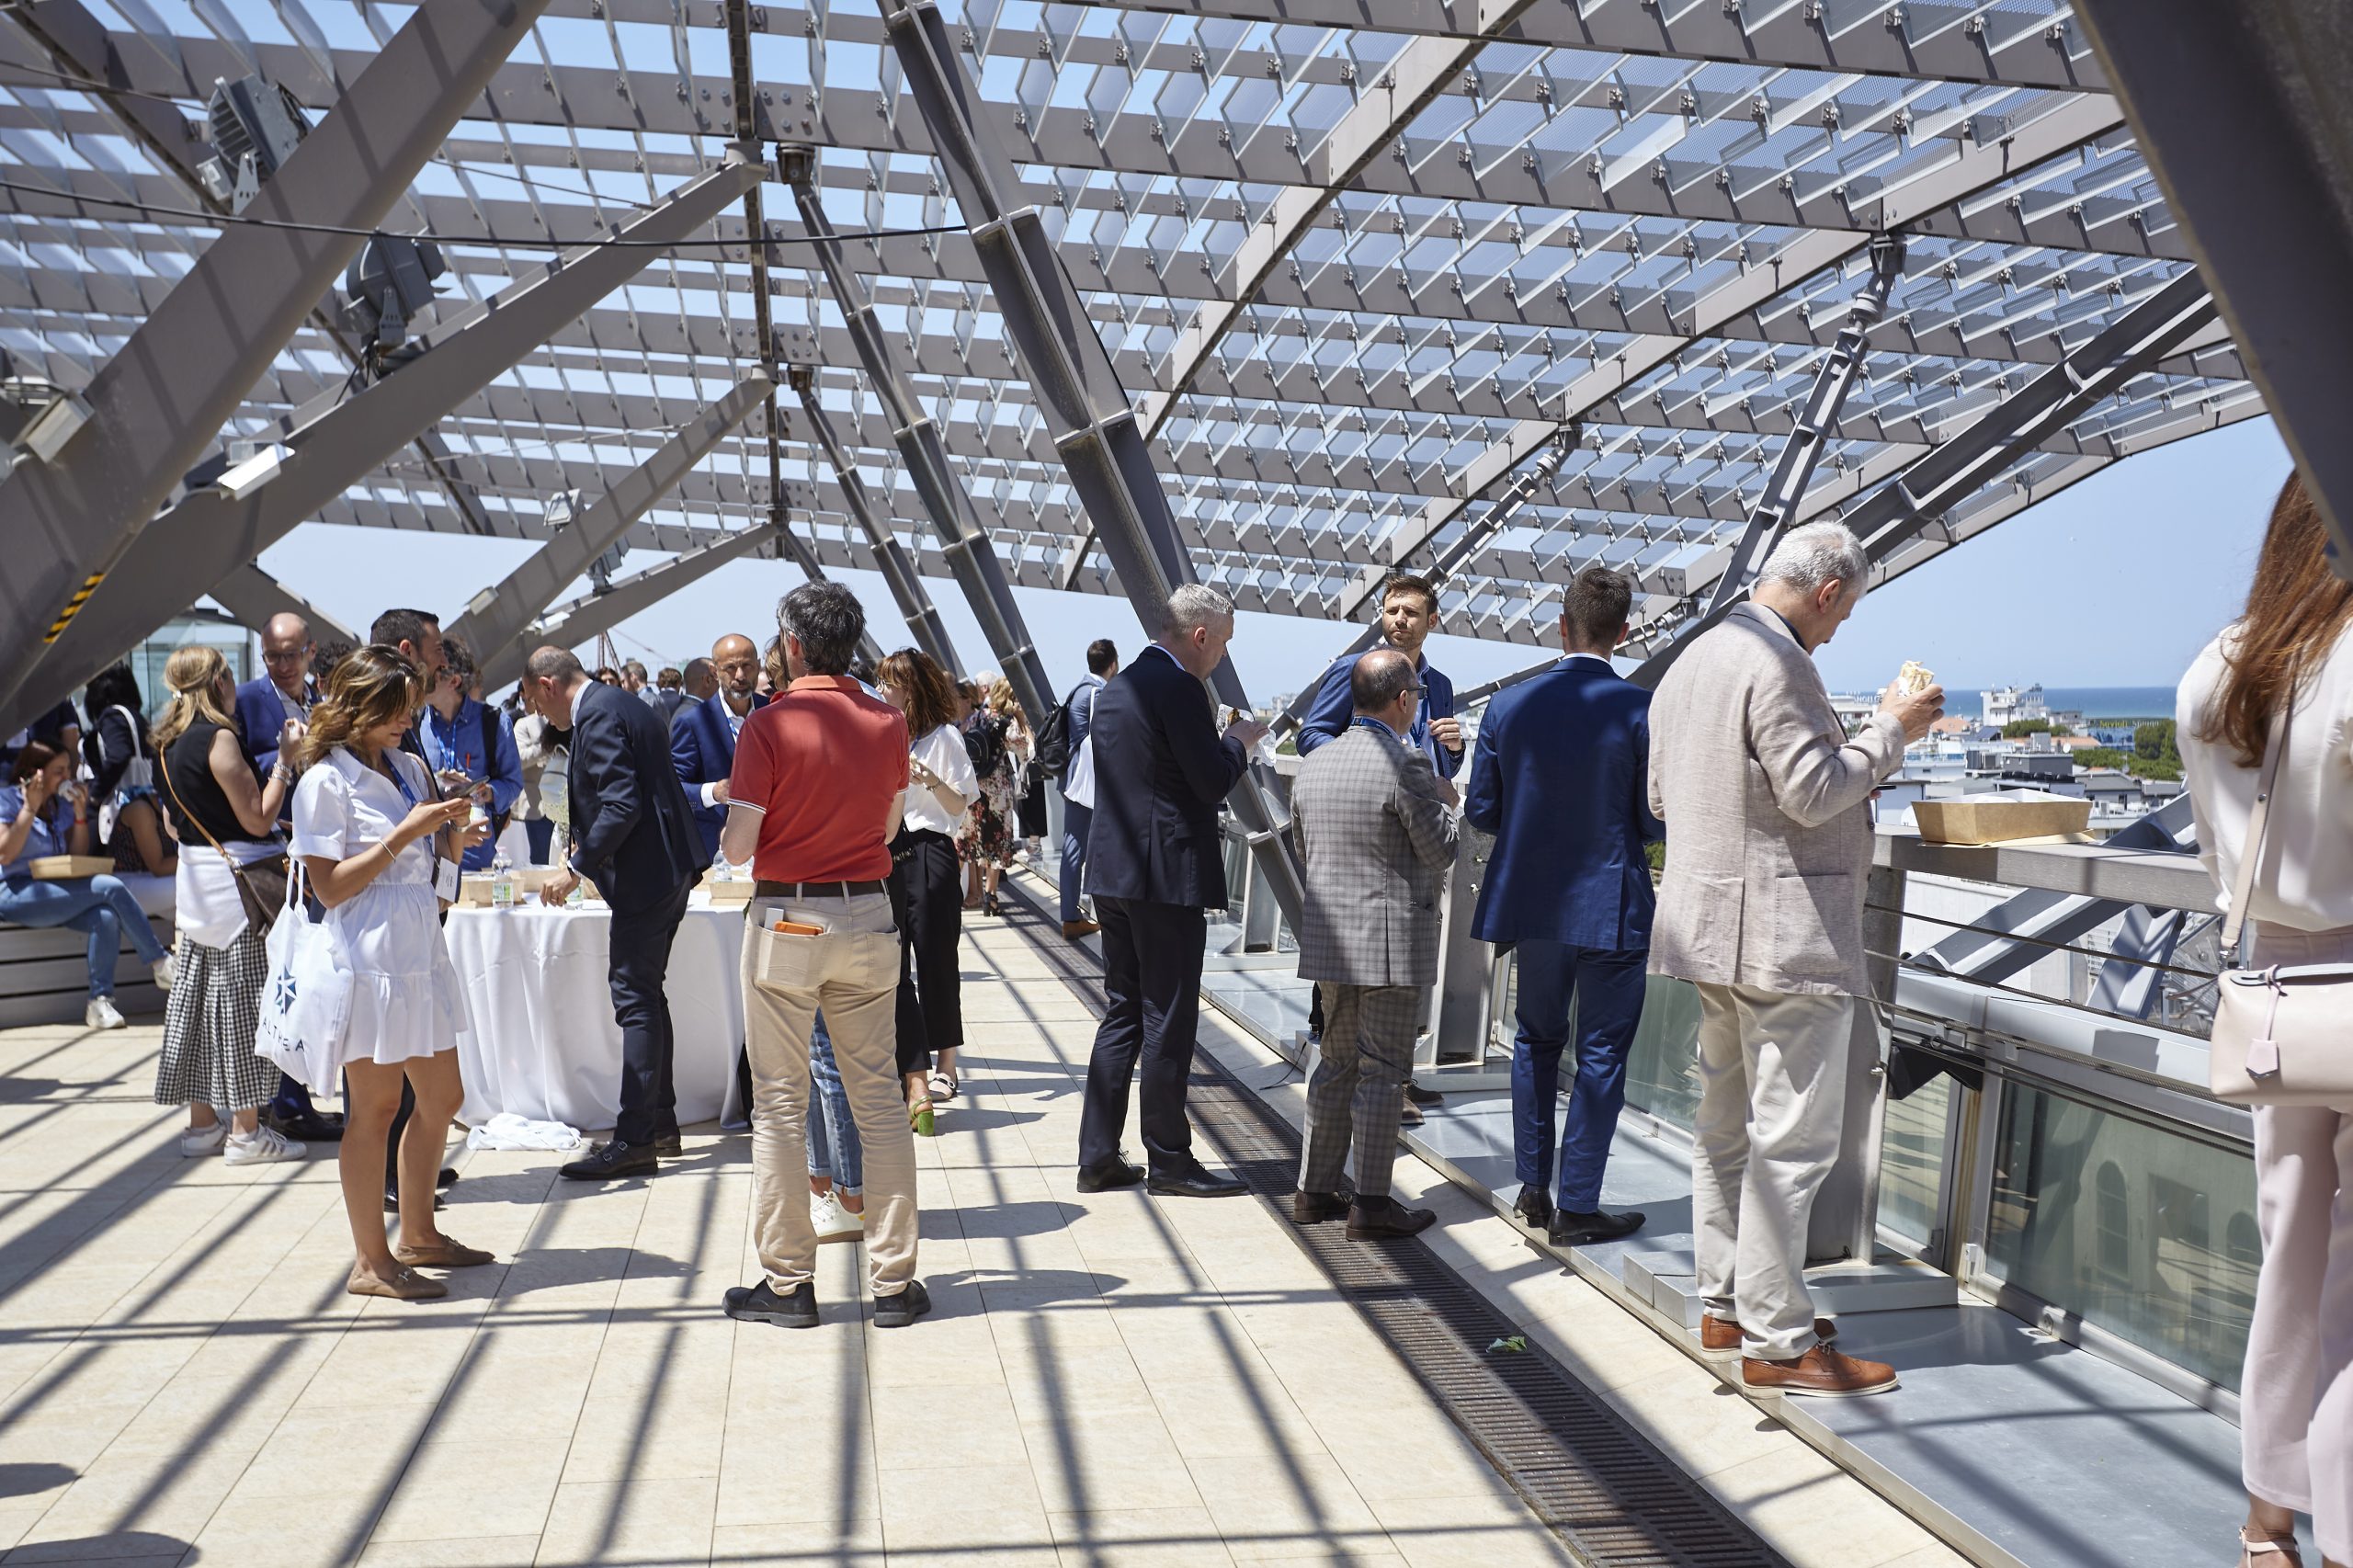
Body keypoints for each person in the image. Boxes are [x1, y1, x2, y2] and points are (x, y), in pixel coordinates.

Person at [1648, 520, 1941, 1398]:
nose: (1839, 627)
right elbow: (1813, 792)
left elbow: (1665, 793)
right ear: (1824, 593)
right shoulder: (1780, 664)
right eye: (1843, 612)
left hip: (1707, 927)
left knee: (1726, 1126)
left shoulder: (1695, 657)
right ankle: (1778, 1341)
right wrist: (1888, 731)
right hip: (1783, 939)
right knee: (1792, 1142)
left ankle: (1726, 1302)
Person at [2176, 474, 2353, 1568]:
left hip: (2278, 993)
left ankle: (2266, 1516)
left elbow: (2214, 855)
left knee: (2290, 1258)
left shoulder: (2223, 661)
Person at [718, 581, 928, 1330]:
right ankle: (895, 1284)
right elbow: (892, 822)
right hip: (869, 912)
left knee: (780, 1103)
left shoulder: (770, 725)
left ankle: (788, 1285)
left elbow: (740, 846)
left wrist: (731, 822)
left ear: (793, 644)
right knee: (877, 1101)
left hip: (788, 918)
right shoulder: (887, 720)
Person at [1465, 567, 1663, 1246]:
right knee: (1601, 1051)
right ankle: (1579, 1204)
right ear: (1624, 632)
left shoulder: (1508, 706)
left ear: (1562, 626)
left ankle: (1532, 1187)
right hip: (1612, 901)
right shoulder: (1641, 708)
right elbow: (1652, 820)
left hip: (1535, 902)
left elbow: (1483, 810)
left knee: (1535, 1040)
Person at [290, 646, 492, 1300]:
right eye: (397, 709)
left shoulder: (408, 765)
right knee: (374, 1109)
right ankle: (371, 1263)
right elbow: (327, 889)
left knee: (443, 1098)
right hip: (366, 960)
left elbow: (433, 859)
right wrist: (406, 834)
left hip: (418, 951)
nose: (410, 718)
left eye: (411, 706)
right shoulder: (325, 781)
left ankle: (420, 1233)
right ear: (359, 708)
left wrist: (452, 828)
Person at [1076, 584, 1266, 1198]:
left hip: (1115, 872)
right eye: (1225, 646)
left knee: (1123, 1012)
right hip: (1166, 879)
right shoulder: (1180, 688)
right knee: (1168, 1018)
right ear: (1201, 636)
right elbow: (1210, 781)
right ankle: (1170, 1160)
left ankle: (1098, 1155)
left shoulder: (1117, 689)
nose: (1223, 660)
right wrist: (1237, 744)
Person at [1289, 649, 1459, 1239]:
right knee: (1384, 1074)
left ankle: (1314, 1191)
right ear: (1404, 701)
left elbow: (1305, 851)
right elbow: (1440, 851)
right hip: (1390, 945)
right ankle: (1371, 1203)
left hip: (1331, 941)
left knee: (1334, 1063)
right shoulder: (1407, 764)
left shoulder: (1314, 762)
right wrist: (1450, 812)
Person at [521, 647, 704, 1180]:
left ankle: (634, 1138)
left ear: (548, 685)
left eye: (537, 702)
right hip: (666, 870)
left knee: (635, 1000)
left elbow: (621, 803)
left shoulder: (598, 713)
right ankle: (660, 1123)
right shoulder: (620, 703)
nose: (541, 716)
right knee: (647, 994)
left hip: (647, 877)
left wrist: (575, 866)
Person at [151, 645, 303, 1165]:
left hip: (193, 886)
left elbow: (174, 825)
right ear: (217, 683)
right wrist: (284, 761)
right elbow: (258, 819)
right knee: (242, 1007)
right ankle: (246, 1132)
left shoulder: (165, 743)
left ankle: (201, 1127)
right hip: (238, 893)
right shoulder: (219, 738)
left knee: (194, 1004)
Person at [0, 742, 174, 1029]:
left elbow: (76, 857)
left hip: (52, 889)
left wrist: (80, 815)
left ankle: (99, 1002)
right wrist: (29, 808)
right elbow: (6, 853)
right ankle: (160, 961)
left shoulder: (58, 806)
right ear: (35, 773)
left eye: (68, 769)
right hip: (13, 891)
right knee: (111, 886)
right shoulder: (8, 799)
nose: (67, 777)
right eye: (59, 771)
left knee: (103, 918)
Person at [876, 648, 978, 1131]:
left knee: (938, 958)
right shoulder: (879, 733)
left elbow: (960, 806)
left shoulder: (946, 739)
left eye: (890, 683)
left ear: (911, 688)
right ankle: (907, 1065)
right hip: (888, 851)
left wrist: (930, 779)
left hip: (932, 849)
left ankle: (947, 1067)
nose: (882, 691)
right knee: (894, 966)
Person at [418, 637, 522, 873]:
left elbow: (513, 782)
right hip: (428, 860)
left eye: (431, 675)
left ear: (453, 681)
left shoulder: (493, 722)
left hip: (477, 859)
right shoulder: (415, 724)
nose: (421, 682)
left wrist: (486, 793)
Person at [673, 633, 767, 860]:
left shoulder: (772, 712)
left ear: (758, 666)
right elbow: (674, 790)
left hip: (770, 847)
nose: (741, 675)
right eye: (731, 668)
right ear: (715, 672)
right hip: (716, 853)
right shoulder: (693, 722)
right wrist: (712, 792)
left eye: (747, 666)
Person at [82, 663, 176, 877]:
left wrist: (96, 795)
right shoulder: (135, 716)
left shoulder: (112, 716)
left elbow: (119, 755)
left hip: (122, 805)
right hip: (149, 800)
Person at [1058, 639, 1117, 939]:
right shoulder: (1096, 693)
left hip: (1074, 779)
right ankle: (1072, 917)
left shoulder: (1078, 690)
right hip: (1087, 783)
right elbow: (1105, 737)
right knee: (1080, 852)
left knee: (1072, 848)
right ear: (1113, 665)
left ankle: (1071, 914)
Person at [958, 678, 1021, 918]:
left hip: (974, 787)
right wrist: (1022, 720)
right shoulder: (1006, 723)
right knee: (996, 841)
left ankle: (951, 895)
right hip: (998, 790)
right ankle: (990, 897)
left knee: (966, 840)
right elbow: (1025, 750)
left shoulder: (978, 716)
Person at [234, 612, 318, 790]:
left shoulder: (323, 704)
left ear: (312, 651)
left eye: (291, 654)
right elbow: (233, 772)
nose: (283, 666)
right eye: (272, 656)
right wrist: (290, 755)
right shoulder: (244, 702)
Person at [510, 706, 559, 866]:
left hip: (565, 807)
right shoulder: (523, 725)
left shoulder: (565, 721)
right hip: (538, 809)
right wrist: (545, 746)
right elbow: (518, 758)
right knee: (542, 862)